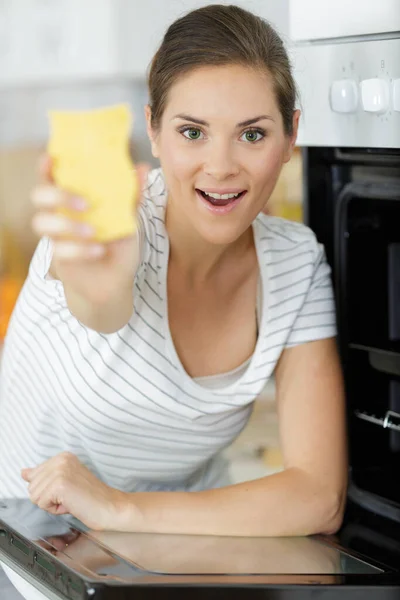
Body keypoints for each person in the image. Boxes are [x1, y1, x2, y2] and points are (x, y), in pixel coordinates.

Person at [0, 4, 347, 545]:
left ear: (291, 136)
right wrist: (102, 283)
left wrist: (121, 510)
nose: (221, 165)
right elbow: (100, 303)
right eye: (193, 132)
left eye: (252, 135)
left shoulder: (296, 264)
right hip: (26, 529)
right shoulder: (109, 228)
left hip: (178, 532)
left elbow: (318, 496)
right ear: (154, 131)